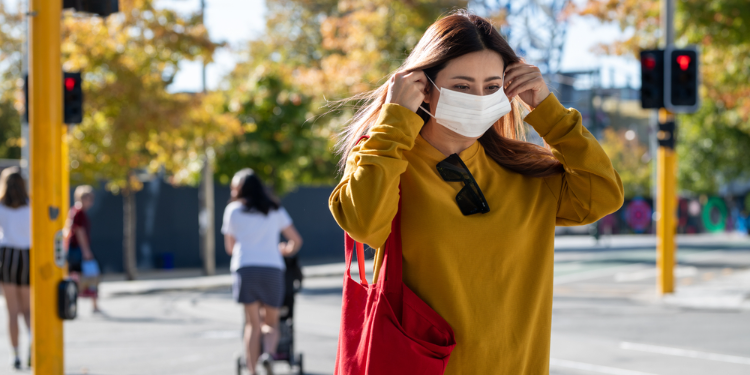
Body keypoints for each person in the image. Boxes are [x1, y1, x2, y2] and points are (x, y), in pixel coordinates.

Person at [329, 10, 624, 374]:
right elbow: (363, 223)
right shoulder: (388, 160)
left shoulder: (525, 174)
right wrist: (394, 121)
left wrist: (548, 109)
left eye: (491, 87)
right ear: (423, 88)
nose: (479, 98)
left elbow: (604, 194)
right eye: (462, 86)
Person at [222, 169, 303, 375]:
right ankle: (268, 354)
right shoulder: (274, 209)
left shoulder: (232, 211)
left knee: (252, 324)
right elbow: (296, 240)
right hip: (272, 269)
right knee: (272, 322)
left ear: (240, 189)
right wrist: (284, 249)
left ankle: (252, 370)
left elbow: (230, 248)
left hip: (245, 269)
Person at [0, 167, 31, 369]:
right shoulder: (32, 206)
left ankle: (16, 355)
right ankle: (33, 342)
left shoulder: (1, 206)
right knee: (28, 310)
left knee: (12, 311)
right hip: (27, 256)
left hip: (7, 256)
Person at [64, 185, 101, 313]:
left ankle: (91, 305)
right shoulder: (78, 212)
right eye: (88, 199)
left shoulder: (75, 211)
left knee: (81, 277)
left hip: (76, 249)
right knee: (82, 277)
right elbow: (79, 232)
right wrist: (86, 250)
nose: (90, 202)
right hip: (77, 249)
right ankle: (84, 305)